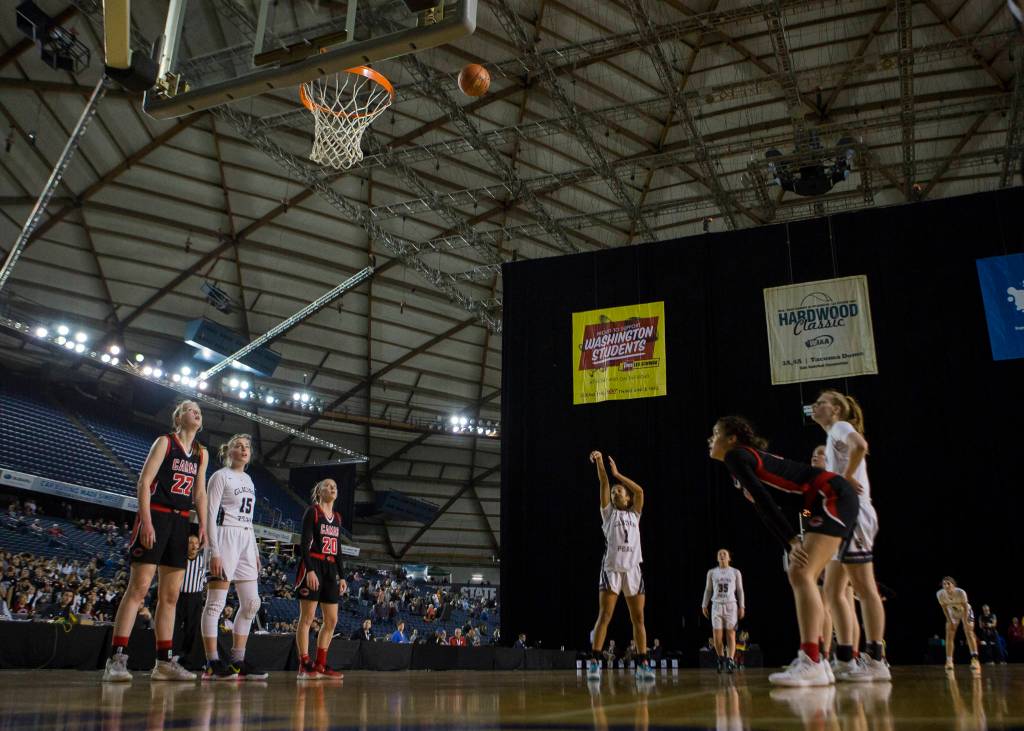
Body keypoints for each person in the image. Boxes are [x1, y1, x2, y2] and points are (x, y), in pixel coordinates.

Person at [709, 415, 858, 686]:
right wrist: (788, 542)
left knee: (802, 574)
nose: (711, 439)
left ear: (731, 439)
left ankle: (814, 660)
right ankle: (819, 662)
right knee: (803, 574)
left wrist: (791, 540)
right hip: (824, 500)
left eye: (715, 433)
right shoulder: (744, 462)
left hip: (830, 495)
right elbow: (767, 508)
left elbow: (765, 502)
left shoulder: (736, 456)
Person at [103, 401, 209, 682]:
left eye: (199, 410)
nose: (196, 412)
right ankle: (116, 659)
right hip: (157, 516)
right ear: (178, 417)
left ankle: (163, 663)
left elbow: (200, 494)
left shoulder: (201, 453)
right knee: (138, 589)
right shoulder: (165, 442)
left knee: (171, 596)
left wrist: (203, 526)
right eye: (189, 408)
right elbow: (144, 482)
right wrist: (146, 521)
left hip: (181, 521)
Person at [810, 390, 890, 681]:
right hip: (840, 517)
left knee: (864, 587)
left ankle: (877, 659)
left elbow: (860, 445)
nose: (815, 407)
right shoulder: (831, 440)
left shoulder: (841, 428)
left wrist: (847, 477)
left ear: (836, 409)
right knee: (832, 592)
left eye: (821, 403)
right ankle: (846, 659)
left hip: (855, 514)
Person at [201, 434, 267, 680]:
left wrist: (255, 549)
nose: (244, 449)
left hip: (246, 539)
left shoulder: (249, 479)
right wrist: (214, 549)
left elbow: (249, 519)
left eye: (247, 446)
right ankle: (212, 661)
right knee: (216, 603)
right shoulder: (220, 476)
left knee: (252, 603)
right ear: (228, 451)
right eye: (238, 445)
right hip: (224, 535)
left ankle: (238, 661)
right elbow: (210, 514)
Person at [585, 451, 655, 682]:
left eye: (619, 491)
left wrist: (618, 474)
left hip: (633, 570)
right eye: (614, 491)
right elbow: (603, 481)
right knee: (605, 615)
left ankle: (643, 663)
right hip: (612, 569)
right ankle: (595, 661)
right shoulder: (608, 514)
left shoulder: (635, 513)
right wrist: (600, 463)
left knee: (639, 619)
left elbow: (640, 491)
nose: (615, 492)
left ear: (626, 498)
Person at [294, 479, 347, 679]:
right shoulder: (313, 511)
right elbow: (304, 543)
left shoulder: (338, 518)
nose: (333, 487)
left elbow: (338, 549)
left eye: (335, 485)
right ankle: (304, 663)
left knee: (332, 620)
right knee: (307, 618)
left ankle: (321, 665)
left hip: (331, 567)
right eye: (328, 485)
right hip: (314, 564)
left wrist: (342, 575)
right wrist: (309, 570)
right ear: (319, 491)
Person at [702, 548, 745, 673]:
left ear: (729, 558)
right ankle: (720, 658)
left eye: (724, 554)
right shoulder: (712, 572)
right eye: (719, 554)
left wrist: (742, 606)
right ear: (717, 558)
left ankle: (730, 659)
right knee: (717, 635)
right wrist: (704, 604)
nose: (722, 555)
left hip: (731, 605)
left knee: (731, 634)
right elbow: (708, 589)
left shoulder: (735, 572)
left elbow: (740, 590)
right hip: (716, 605)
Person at [173, 533, 206, 668]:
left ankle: (187, 659)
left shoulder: (203, 561)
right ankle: (172, 655)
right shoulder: (179, 559)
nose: (194, 545)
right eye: (191, 543)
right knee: (173, 627)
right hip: (178, 597)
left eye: (196, 543)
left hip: (195, 598)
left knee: (192, 630)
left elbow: (204, 581)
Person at [937, 577, 982, 673]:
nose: (946, 586)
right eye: (944, 584)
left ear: (953, 585)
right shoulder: (940, 594)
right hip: (952, 613)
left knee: (969, 632)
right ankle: (949, 661)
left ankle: (975, 659)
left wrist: (966, 622)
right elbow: (944, 609)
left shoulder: (961, 592)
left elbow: (966, 607)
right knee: (949, 634)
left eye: (948, 583)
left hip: (966, 612)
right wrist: (949, 621)